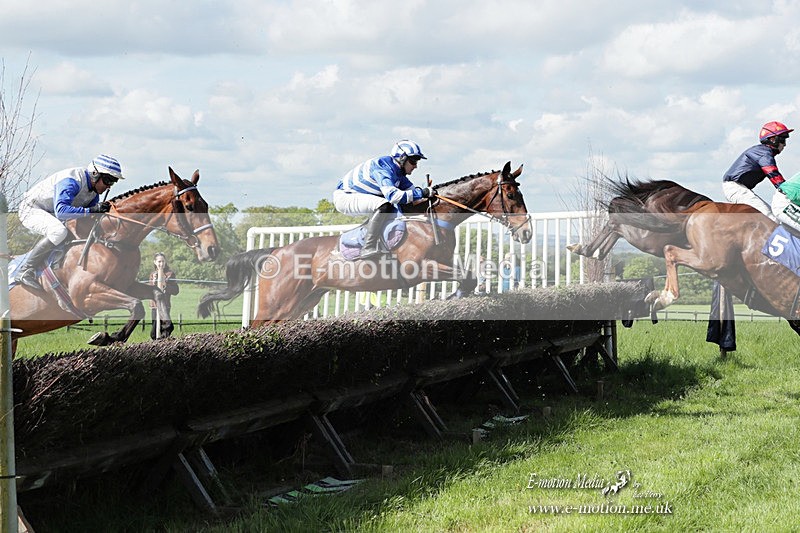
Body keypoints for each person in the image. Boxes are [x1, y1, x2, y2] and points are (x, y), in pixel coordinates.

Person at [15, 154, 123, 291]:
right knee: (58, 231)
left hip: (51, 213)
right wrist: (92, 210)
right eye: (107, 180)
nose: (108, 186)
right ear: (95, 174)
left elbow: (88, 218)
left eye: (113, 182)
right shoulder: (72, 180)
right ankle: (25, 270)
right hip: (31, 209)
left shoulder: (94, 192)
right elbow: (62, 212)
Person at [333, 140, 436, 260]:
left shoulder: (399, 174)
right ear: (402, 158)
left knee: (395, 206)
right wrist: (422, 192)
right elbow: (393, 196)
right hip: (346, 197)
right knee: (384, 205)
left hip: (357, 195)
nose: (415, 166)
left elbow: (413, 196)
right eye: (413, 161)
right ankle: (368, 246)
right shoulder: (383, 168)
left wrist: (429, 194)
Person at [722, 121, 792, 221]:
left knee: (771, 217)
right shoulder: (764, 153)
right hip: (736, 189)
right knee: (771, 219)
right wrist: (789, 192)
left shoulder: (762, 151)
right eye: (782, 140)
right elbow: (773, 175)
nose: (784, 144)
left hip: (739, 188)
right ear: (772, 139)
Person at [148, 252, 179, 339]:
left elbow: (176, 290)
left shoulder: (170, 274)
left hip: (165, 305)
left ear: (165, 262)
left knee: (163, 330)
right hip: (154, 306)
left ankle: (164, 345)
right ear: (155, 262)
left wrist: (165, 285)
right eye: (159, 261)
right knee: (154, 333)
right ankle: (158, 347)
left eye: (163, 262)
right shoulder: (152, 274)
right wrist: (153, 282)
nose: (161, 264)